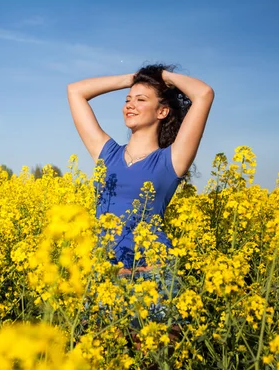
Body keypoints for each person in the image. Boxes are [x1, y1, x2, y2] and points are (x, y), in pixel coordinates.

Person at [67, 64, 214, 327]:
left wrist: (163, 78)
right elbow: (75, 91)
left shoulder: (172, 159)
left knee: (154, 361)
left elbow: (203, 93)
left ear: (162, 111)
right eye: (127, 100)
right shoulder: (106, 153)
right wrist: (132, 80)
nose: (130, 105)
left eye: (141, 100)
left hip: (154, 275)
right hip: (104, 275)